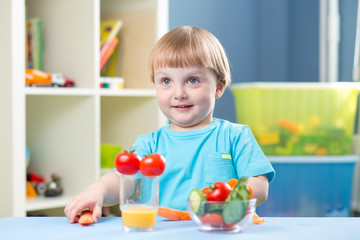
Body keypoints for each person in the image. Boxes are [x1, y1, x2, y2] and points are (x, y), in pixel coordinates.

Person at [64, 25, 275, 224]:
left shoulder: (236, 136)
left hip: (220, 230)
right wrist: (97, 191)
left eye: (192, 80)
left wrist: (231, 194)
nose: (179, 93)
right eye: (166, 81)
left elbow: (260, 185)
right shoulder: (149, 144)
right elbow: (122, 180)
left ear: (219, 87)